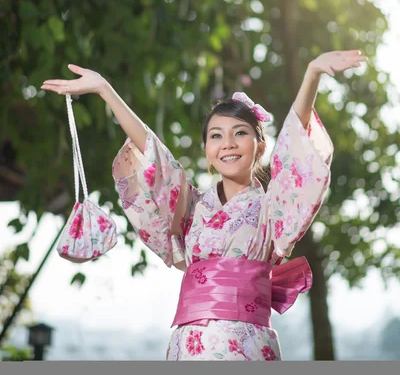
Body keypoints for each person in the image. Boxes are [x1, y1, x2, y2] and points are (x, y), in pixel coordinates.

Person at [41, 49, 367, 361]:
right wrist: (104, 89)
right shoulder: (194, 206)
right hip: (187, 344)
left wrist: (311, 73)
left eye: (239, 133)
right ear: (207, 149)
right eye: (215, 136)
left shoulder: (273, 207)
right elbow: (154, 155)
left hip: (245, 346)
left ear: (260, 144)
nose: (227, 143)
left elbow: (294, 149)